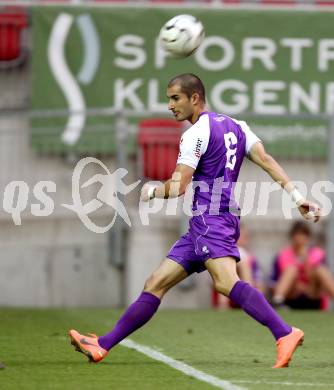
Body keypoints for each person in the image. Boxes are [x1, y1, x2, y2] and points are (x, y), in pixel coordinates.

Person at [69, 73, 320, 368]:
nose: (170, 105)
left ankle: (284, 332)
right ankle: (102, 345)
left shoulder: (194, 134)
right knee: (156, 282)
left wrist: (152, 191)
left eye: (175, 98)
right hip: (208, 222)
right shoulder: (236, 126)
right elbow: (266, 159)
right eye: (169, 99)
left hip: (210, 220)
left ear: (195, 98)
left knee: (226, 282)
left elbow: (178, 186)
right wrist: (296, 195)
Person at [271, 221, 334, 309]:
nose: (299, 238)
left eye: (303, 235)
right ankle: (278, 302)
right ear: (292, 237)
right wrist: (296, 285)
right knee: (291, 270)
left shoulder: (317, 253)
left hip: (312, 292)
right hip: (292, 294)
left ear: (308, 238)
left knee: (320, 270)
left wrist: (305, 258)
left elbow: (321, 281)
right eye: (297, 235)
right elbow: (274, 283)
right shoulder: (282, 255)